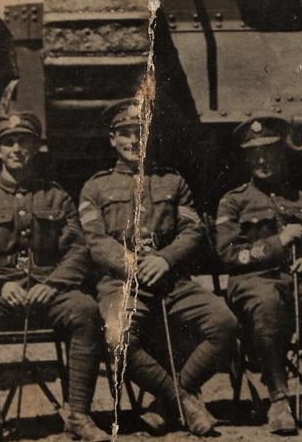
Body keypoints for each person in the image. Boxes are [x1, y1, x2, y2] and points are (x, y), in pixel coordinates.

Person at [78, 99, 238, 436]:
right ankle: (182, 400)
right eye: (125, 134)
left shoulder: (173, 182)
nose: (134, 141)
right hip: (122, 284)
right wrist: (132, 264)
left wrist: (165, 259)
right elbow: (95, 241)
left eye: (141, 132)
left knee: (223, 322)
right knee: (118, 336)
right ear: (112, 139)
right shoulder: (95, 187)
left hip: (171, 280)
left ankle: (167, 402)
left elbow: (193, 230)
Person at [0, 111, 109, 442]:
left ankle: (79, 415)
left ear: (36, 148)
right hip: (1, 295)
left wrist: (53, 283)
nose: (17, 149)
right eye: (9, 142)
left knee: (85, 310)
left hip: (48, 294)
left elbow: (78, 251)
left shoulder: (57, 197)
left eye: (25, 141)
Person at [215, 116, 302, 435]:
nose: (263, 160)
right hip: (254, 282)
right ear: (246, 159)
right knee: (267, 303)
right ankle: (279, 400)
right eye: (255, 155)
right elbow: (228, 254)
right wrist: (277, 243)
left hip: (299, 282)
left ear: (283, 155)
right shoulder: (233, 201)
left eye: (270, 152)